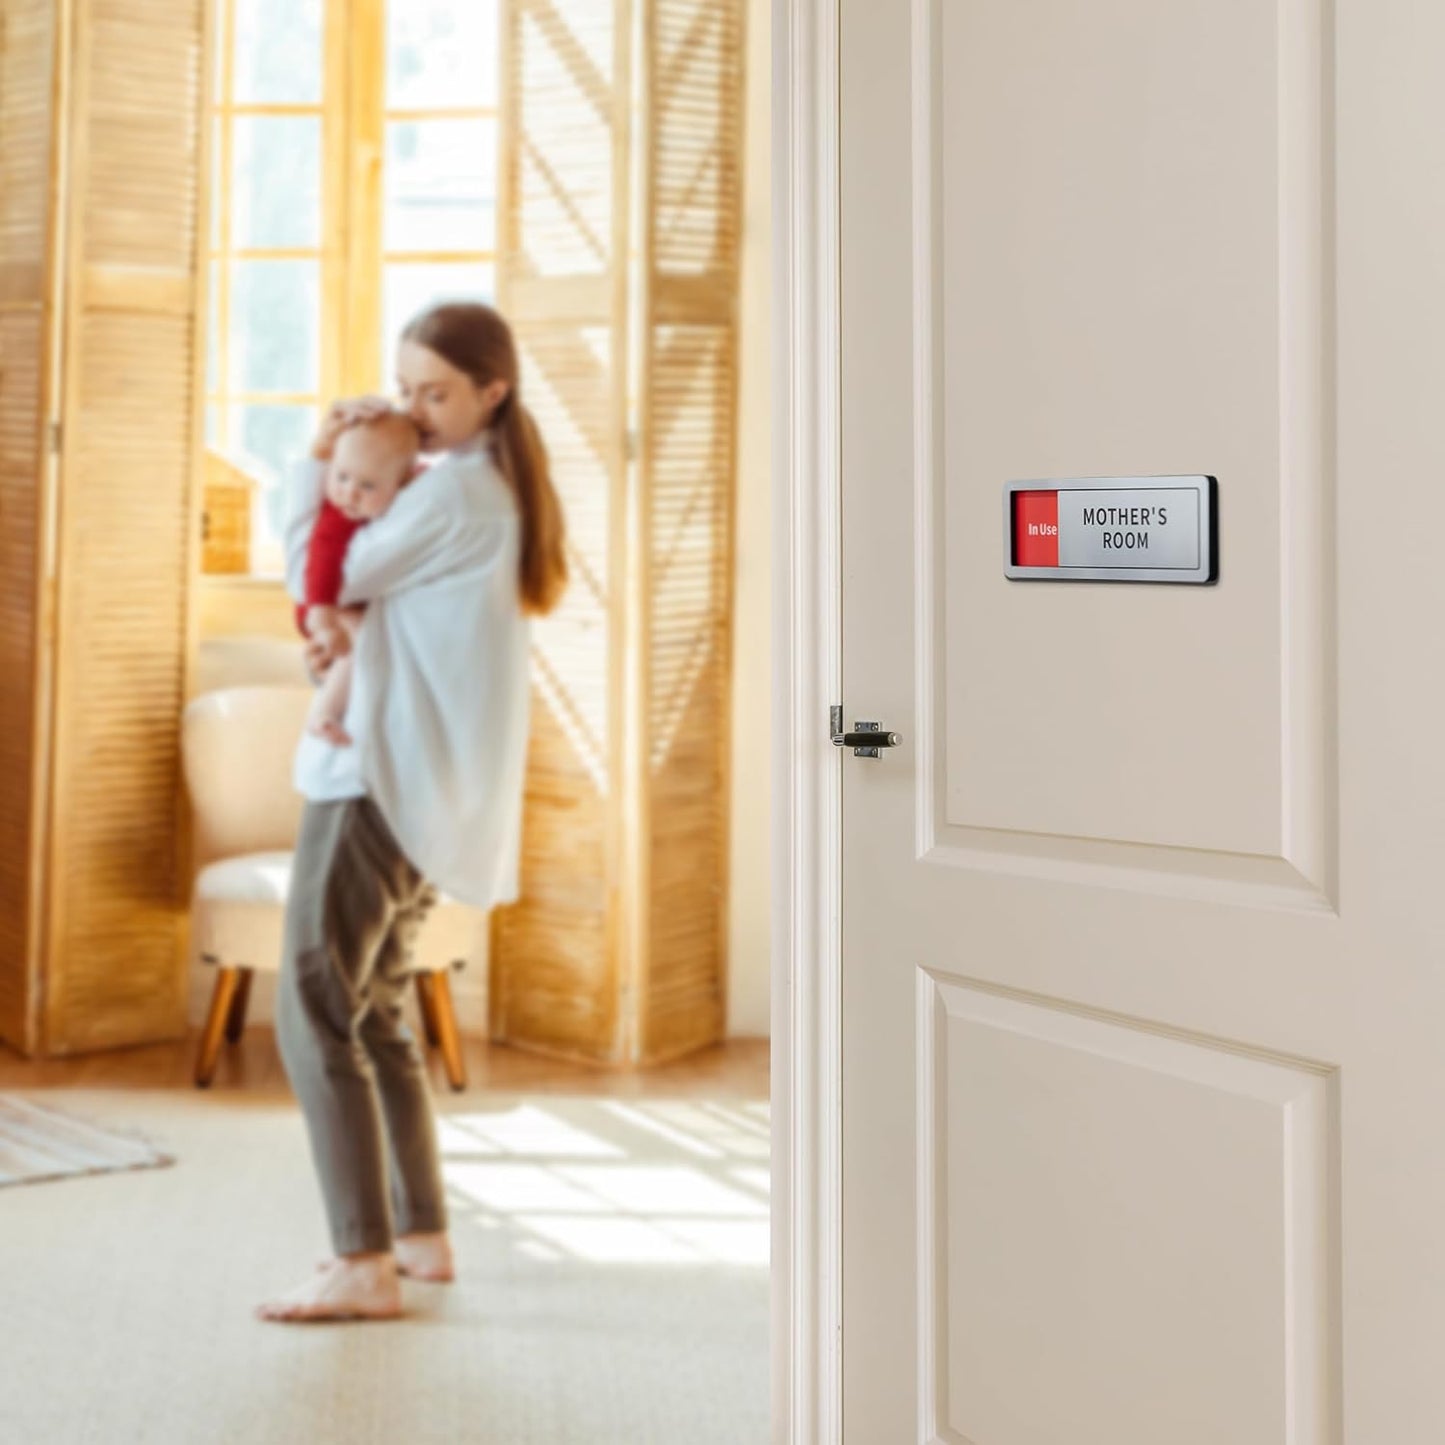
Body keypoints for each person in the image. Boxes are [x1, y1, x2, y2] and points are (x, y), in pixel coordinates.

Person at [258, 302, 568, 1323]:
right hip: (422, 782)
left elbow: (328, 567)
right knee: (380, 1008)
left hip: (379, 782)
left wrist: (317, 459)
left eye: (436, 391)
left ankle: (361, 1257)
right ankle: (419, 1231)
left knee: (312, 1003)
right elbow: (362, 602)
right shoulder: (475, 488)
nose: (414, 408)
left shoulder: (455, 497)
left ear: (492, 391)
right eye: (406, 386)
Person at [294, 410, 422, 746]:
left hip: (350, 607)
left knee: (365, 641)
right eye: (341, 476)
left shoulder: (414, 496)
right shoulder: (338, 516)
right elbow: (321, 559)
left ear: (402, 484)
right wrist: (322, 619)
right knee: (359, 638)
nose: (349, 494)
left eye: (367, 485)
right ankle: (322, 715)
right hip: (324, 604)